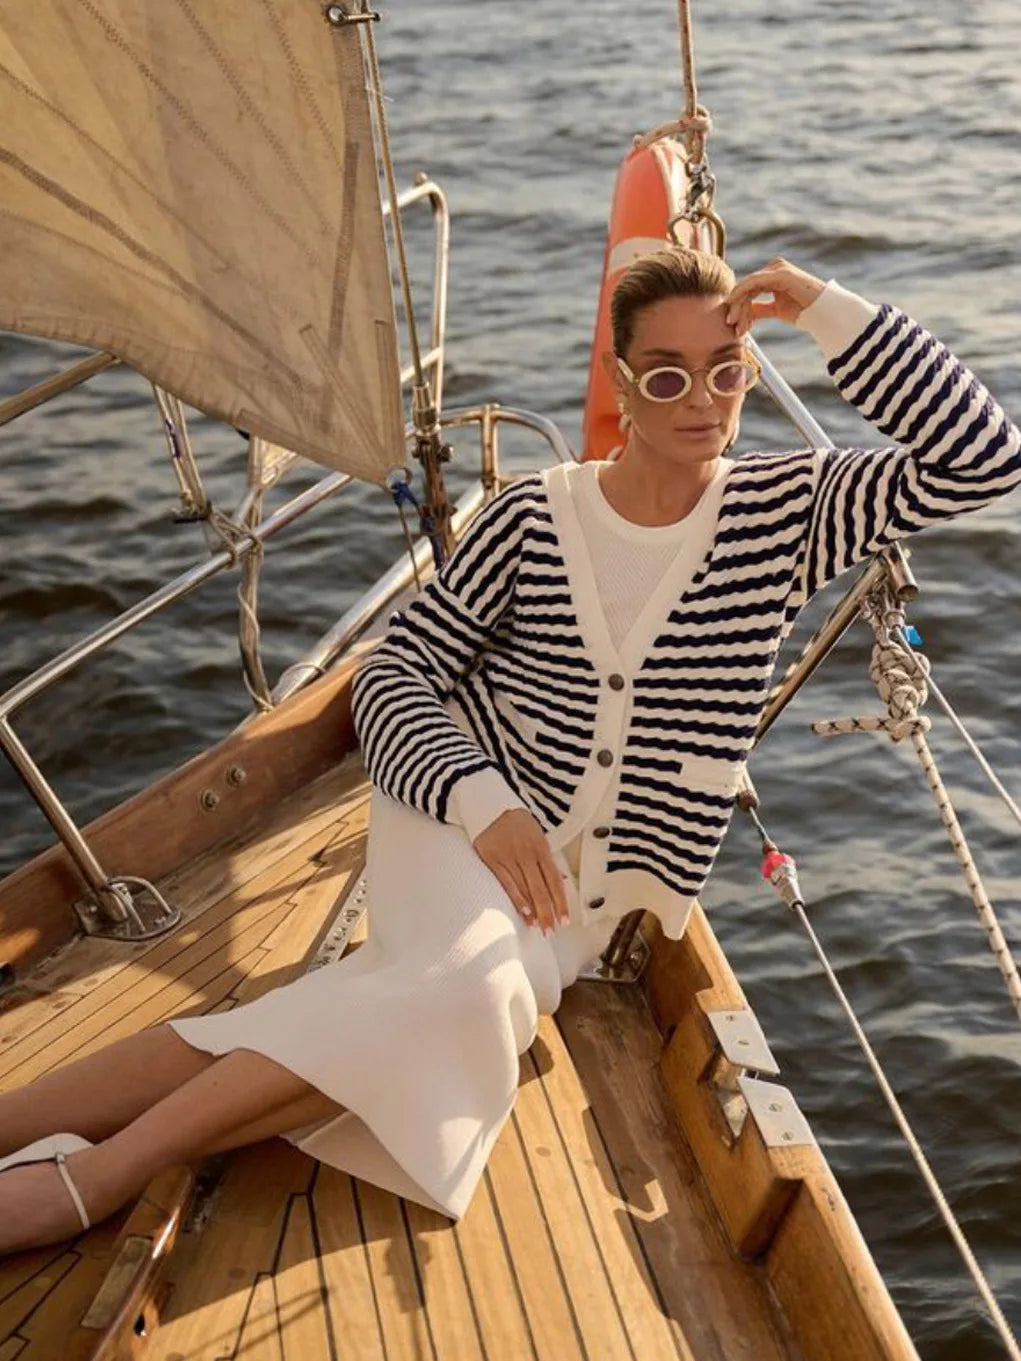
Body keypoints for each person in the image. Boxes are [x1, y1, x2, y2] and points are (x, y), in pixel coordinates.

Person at [0, 251, 1018, 1254]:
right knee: (468, 993)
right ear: (621, 383)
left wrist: (825, 309)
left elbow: (985, 457)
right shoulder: (535, 516)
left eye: (726, 368)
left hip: (584, 899)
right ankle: (92, 1178)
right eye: (666, 373)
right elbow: (393, 676)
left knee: (413, 1003)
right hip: (458, 824)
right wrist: (485, 803)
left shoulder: (784, 513)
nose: (701, 398)